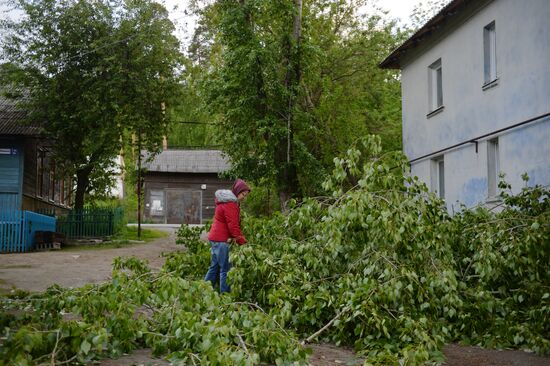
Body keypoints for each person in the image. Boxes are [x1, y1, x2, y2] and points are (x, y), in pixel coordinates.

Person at [204, 179, 250, 293]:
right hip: (221, 240)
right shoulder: (230, 204)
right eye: (243, 194)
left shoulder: (226, 201)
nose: (244, 197)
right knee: (226, 269)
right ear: (238, 191)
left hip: (215, 238)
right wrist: (242, 241)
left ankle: (203, 291)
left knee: (214, 267)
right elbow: (233, 226)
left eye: (246, 195)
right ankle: (225, 297)